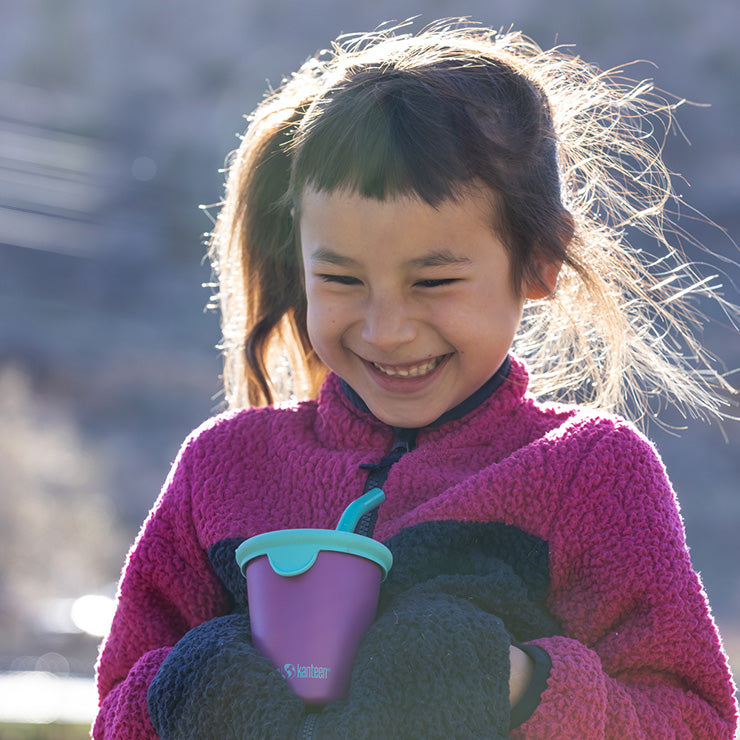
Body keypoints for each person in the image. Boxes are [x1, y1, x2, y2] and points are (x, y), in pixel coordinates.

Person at [93, 21, 739, 739]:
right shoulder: (223, 468)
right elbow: (118, 703)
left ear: (541, 261)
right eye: (340, 278)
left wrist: (515, 684)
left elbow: (694, 721)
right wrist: (188, 685)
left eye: (433, 280)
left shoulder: (590, 474)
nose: (386, 329)